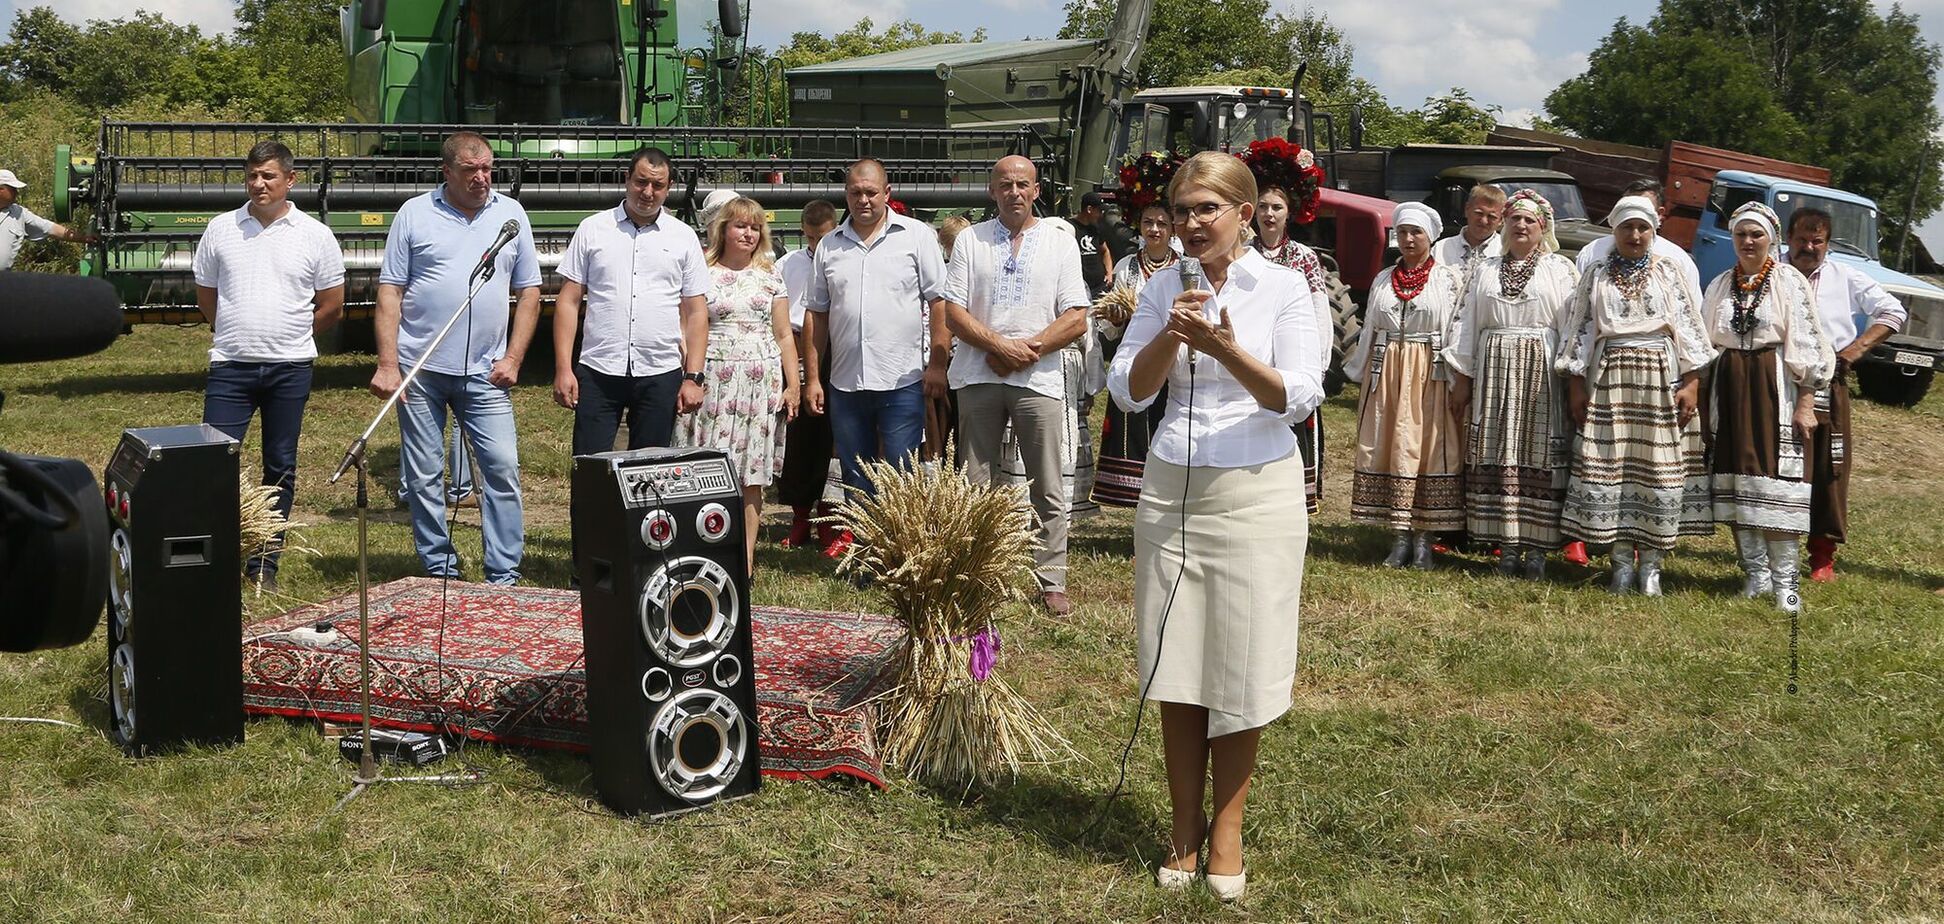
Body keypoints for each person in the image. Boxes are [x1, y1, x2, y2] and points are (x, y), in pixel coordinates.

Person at [1106, 151, 1325, 902]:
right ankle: (1181, 830)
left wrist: (1228, 349)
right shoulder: (1157, 286)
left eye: (1207, 210)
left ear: (1242, 212)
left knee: (1241, 662)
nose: (1192, 224)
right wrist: (1173, 332)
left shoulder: (1288, 286)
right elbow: (1131, 394)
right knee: (1178, 661)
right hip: (1172, 490)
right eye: (1182, 209)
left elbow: (1297, 396)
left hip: (1257, 491)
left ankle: (1227, 832)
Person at [372, 130, 541, 586]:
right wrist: (389, 364)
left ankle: (503, 574)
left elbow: (530, 292)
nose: (482, 179)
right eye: (471, 171)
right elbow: (390, 291)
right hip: (420, 368)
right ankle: (439, 569)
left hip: (487, 372)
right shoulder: (414, 214)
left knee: (501, 468)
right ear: (446, 172)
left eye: (488, 169)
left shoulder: (511, 215)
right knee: (425, 476)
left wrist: (515, 358)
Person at [940, 156, 1093, 615]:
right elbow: (953, 312)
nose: (1014, 192)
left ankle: (1051, 578)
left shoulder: (1059, 242)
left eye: (1022, 184)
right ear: (991, 191)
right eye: (1004, 184)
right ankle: (978, 570)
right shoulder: (971, 239)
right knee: (975, 481)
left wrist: (1029, 349)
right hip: (978, 374)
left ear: (1036, 189)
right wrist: (999, 346)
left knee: (1046, 483)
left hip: (1039, 376)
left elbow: (1076, 317)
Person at [192, 140, 345, 594]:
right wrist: (232, 332)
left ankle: (265, 563)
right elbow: (206, 295)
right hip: (231, 367)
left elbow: (333, 305)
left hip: (289, 369)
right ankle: (214, 558)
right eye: (252, 175)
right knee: (212, 463)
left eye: (268, 176)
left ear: (290, 181)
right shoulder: (221, 229)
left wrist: (291, 337)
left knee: (280, 466)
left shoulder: (314, 234)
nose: (259, 184)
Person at [1556, 195, 1716, 595]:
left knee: (1656, 471)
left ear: (1653, 230)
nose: (1635, 235)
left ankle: (1653, 568)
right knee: (1615, 469)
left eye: (1642, 227)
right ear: (1614, 230)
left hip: (1661, 379)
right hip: (1611, 377)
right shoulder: (1596, 273)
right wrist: (1577, 384)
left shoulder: (1670, 272)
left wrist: (1692, 381)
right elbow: (1580, 330)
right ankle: (1621, 564)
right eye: (1627, 227)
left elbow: (1690, 329)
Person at [800, 158, 950, 523]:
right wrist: (814, 378)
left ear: (887, 193)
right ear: (845, 195)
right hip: (847, 384)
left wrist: (938, 365)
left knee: (902, 475)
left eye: (871, 192)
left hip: (902, 380)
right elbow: (816, 313)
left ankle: (904, 552)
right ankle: (866, 555)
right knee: (857, 475)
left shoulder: (917, 236)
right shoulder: (829, 246)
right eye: (855, 193)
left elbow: (940, 302)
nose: (863, 200)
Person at [1702, 203, 1834, 612]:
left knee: (1778, 484)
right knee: (1740, 481)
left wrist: (1807, 400)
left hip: (1772, 384)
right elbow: (1705, 340)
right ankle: (1755, 576)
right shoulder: (1722, 283)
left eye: (1756, 235)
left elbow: (1808, 341)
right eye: (1741, 234)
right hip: (1729, 385)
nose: (1747, 242)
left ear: (1771, 239)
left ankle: (1785, 585)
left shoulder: (1788, 280)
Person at [1444, 189, 1579, 578]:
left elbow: (1572, 327)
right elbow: (1466, 324)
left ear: (1543, 228)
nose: (1521, 226)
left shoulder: (1560, 270)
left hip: (1541, 372)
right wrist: (1464, 377)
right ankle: (1506, 545)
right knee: (1499, 451)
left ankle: (1537, 549)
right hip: (1494, 371)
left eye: (1530, 221)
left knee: (1536, 455)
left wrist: (1573, 379)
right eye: (1515, 219)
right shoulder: (1485, 270)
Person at [553, 147, 708, 457]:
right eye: (640, 182)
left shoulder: (684, 237)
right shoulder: (593, 229)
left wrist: (693, 376)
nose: (648, 192)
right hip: (599, 370)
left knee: (649, 475)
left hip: (659, 372)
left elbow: (696, 312)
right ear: (626, 179)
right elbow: (568, 302)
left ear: (670, 187)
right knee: (590, 469)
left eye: (657, 185)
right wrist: (562, 369)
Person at [674, 197, 801, 576]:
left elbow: (783, 335)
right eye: (740, 226)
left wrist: (793, 385)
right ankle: (698, 552)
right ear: (723, 229)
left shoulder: (770, 275)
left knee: (752, 474)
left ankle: (743, 561)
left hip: (760, 382)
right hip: (712, 378)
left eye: (755, 227)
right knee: (704, 468)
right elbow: (685, 327)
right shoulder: (702, 272)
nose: (748, 233)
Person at [1343, 202, 1468, 569]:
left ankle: (1425, 540)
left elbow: (1455, 330)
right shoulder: (1384, 279)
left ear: (1431, 237)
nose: (1409, 239)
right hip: (1388, 373)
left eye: (1416, 232)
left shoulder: (1447, 280)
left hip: (1430, 373)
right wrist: (1361, 369)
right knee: (1389, 445)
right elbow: (1369, 329)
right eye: (1403, 232)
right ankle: (1398, 537)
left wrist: (1457, 375)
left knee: (1426, 449)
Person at [1786, 207, 1907, 582]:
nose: (1809, 247)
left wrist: (1853, 352)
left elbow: (1892, 310)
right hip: (1778, 380)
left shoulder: (1845, 276)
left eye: (1817, 241)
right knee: (1779, 464)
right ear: (1787, 239)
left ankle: (1822, 557)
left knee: (1829, 468)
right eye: (1802, 239)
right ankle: (1774, 550)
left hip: (1827, 380)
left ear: (1827, 243)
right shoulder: (1772, 270)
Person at [1253, 182, 1334, 515]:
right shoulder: (1243, 250)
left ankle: (1291, 501)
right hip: (1255, 350)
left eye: (1277, 207)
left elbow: (1319, 309)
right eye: (1263, 207)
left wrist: (1318, 362)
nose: (1269, 214)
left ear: (1289, 214)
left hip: (1291, 349)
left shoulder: (1304, 257)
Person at [1093, 201, 1177, 508]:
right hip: (1136, 363)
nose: (1154, 229)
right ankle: (1137, 500)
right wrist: (1115, 317)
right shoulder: (1126, 266)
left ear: (1171, 229)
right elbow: (1109, 328)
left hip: (1172, 364)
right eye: (1148, 223)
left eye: (1161, 224)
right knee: (1136, 435)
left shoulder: (1183, 266)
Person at [775, 199, 843, 551]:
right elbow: (782, 317)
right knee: (799, 436)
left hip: (839, 353)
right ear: (803, 233)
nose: (818, 245)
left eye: (825, 237)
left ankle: (832, 521)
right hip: (799, 350)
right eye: (812, 238)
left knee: (834, 438)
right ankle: (801, 517)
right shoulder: (788, 265)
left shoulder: (844, 260)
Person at [0, 168, 94, 271]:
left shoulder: (18, 213)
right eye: (13, 189)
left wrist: (84, 238)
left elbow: (50, 229)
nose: (16, 193)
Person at [1431, 184, 1506, 273]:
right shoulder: (1441, 248)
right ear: (1467, 209)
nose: (1484, 221)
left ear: (1501, 219)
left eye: (1491, 216)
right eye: (1479, 213)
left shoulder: (1506, 250)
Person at [1072, 191, 1114, 296]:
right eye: (1099, 211)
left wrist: (1109, 274)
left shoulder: (1096, 228)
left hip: (1099, 288)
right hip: (1079, 290)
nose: (1101, 215)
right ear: (1089, 209)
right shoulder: (1070, 228)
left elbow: (1105, 251)